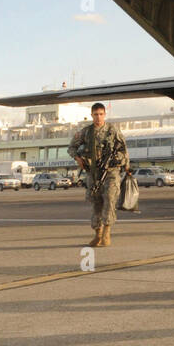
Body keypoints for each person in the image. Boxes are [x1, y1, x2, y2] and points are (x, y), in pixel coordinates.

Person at [68, 103, 129, 247]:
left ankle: (107, 233)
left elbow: (124, 149)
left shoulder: (112, 130)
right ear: (91, 115)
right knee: (96, 202)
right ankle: (98, 234)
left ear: (105, 115)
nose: (98, 117)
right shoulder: (86, 132)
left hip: (111, 172)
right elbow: (71, 147)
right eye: (96, 114)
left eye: (101, 114)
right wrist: (78, 158)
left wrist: (125, 165)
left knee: (109, 199)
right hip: (94, 173)